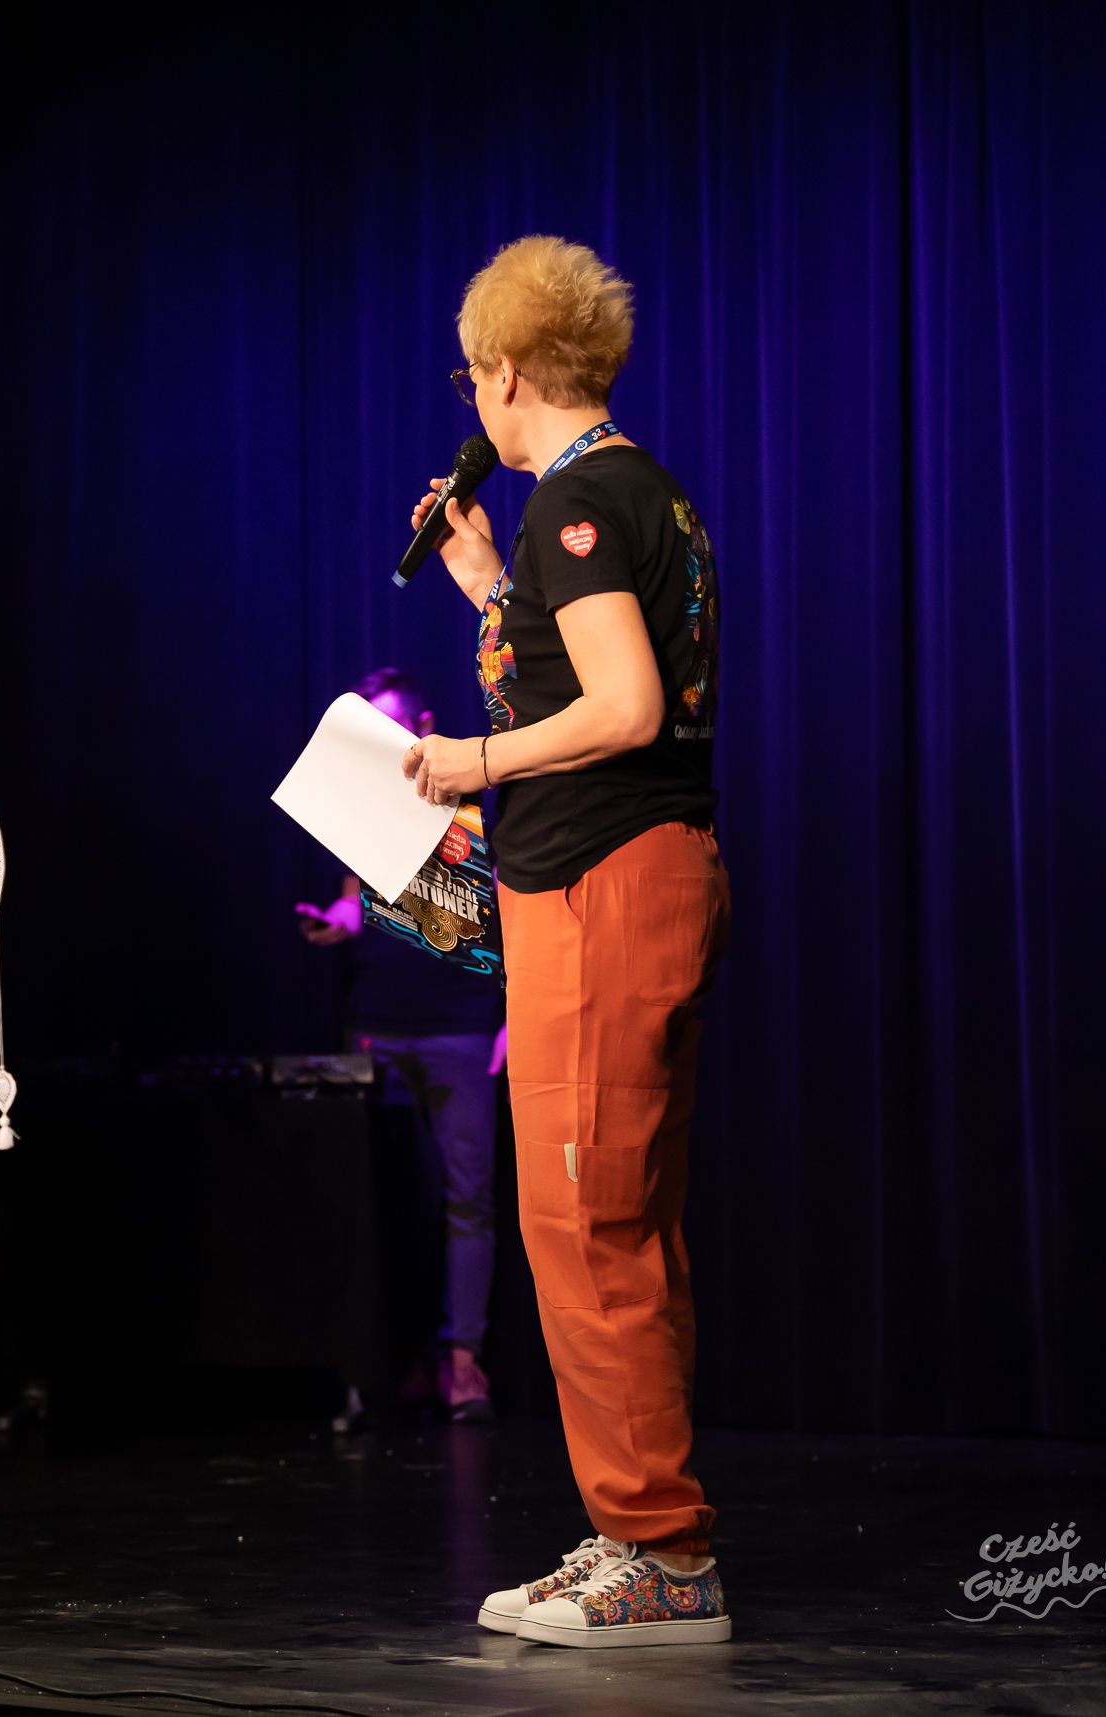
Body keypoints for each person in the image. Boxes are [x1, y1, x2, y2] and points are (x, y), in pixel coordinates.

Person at [399, 236, 731, 1647]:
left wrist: (468, 762)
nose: (471, 394)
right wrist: (488, 581)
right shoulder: (622, 491)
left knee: (585, 1221)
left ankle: (658, 1551)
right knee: (616, 1220)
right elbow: (580, 670)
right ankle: (637, 1531)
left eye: (470, 373)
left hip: (603, 890)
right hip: (614, 885)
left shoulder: (581, 499)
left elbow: (625, 707)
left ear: (505, 371)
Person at [294, 668, 505, 1422]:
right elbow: (360, 904)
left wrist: (511, 1020)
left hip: (461, 1028)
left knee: (467, 1199)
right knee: (379, 1198)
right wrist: (336, 922)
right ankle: (384, 1360)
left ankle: (462, 1360)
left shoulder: (472, 798)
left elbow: (510, 912)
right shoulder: (362, 806)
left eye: (390, 727)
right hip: (377, 1026)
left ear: (421, 724)